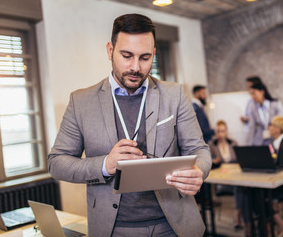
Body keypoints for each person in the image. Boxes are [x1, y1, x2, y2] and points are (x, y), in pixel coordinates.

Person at [48, 13, 212, 237]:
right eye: (127, 56)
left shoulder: (174, 95)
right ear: (110, 51)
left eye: (145, 58)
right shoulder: (81, 101)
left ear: (154, 54)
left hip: (175, 225)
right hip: (114, 229)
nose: (136, 67)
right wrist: (106, 164)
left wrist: (198, 171)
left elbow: (199, 150)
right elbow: (57, 163)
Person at [208, 120, 243, 230]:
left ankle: (239, 215)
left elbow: (240, 159)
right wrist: (214, 161)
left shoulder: (233, 143)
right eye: (218, 131)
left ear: (226, 131)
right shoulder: (212, 145)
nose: (221, 134)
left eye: (223, 131)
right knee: (240, 188)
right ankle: (240, 217)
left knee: (241, 186)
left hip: (235, 176)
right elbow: (208, 161)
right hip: (221, 180)